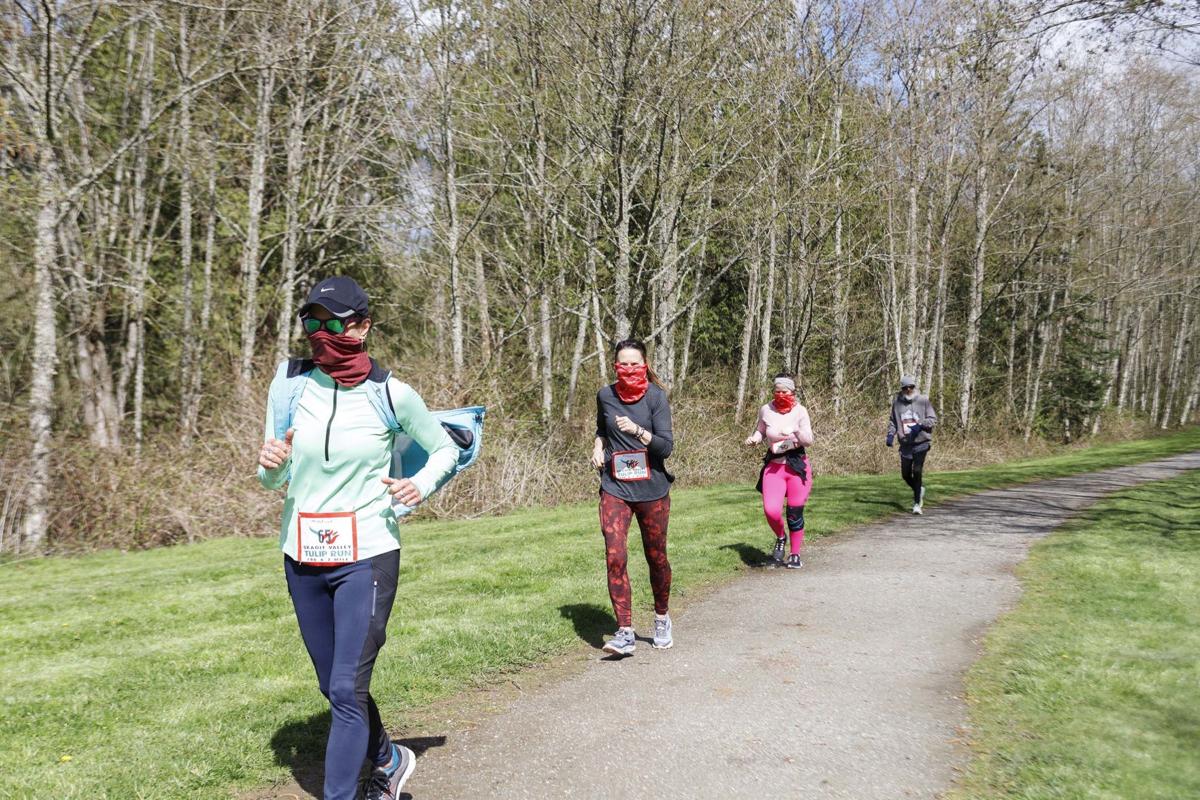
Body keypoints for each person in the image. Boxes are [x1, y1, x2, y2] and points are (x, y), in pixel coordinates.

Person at [257, 276, 458, 800]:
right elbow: (272, 476)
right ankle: (390, 757)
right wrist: (271, 465)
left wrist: (419, 484)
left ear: (363, 326)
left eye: (334, 323)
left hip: (366, 554)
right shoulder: (289, 383)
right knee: (332, 685)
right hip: (301, 555)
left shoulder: (390, 393)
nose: (321, 333)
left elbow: (445, 448)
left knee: (347, 689)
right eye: (312, 323)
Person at [590, 339, 675, 655]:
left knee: (656, 557)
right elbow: (602, 429)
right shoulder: (605, 395)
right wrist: (598, 447)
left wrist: (639, 431)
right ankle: (624, 631)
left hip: (652, 489)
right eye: (621, 364)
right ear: (615, 366)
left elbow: (666, 447)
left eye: (634, 364)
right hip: (615, 488)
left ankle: (662, 618)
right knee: (615, 555)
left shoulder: (656, 398)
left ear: (645, 364)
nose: (628, 369)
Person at [744, 373, 814, 569]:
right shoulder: (766, 409)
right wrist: (755, 439)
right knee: (771, 510)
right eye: (777, 391)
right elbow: (760, 430)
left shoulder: (800, 411)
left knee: (795, 510)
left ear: (792, 392)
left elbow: (809, 440)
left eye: (785, 391)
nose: (781, 394)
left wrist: (795, 431)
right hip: (774, 466)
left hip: (796, 466)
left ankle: (795, 554)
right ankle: (781, 537)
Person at [885, 375, 937, 514]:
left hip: (922, 442)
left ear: (914, 387)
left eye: (911, 387)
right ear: (901, 389)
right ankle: (919, 489)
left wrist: (919, 425)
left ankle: (916, 504)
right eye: (905, 387)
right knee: (905, 474)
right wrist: (891, 434)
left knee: (917, 471)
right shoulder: (897, 403)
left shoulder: (923, 400)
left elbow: (932, 419)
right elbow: (893, 421)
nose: (908, 389)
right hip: (906, 444)